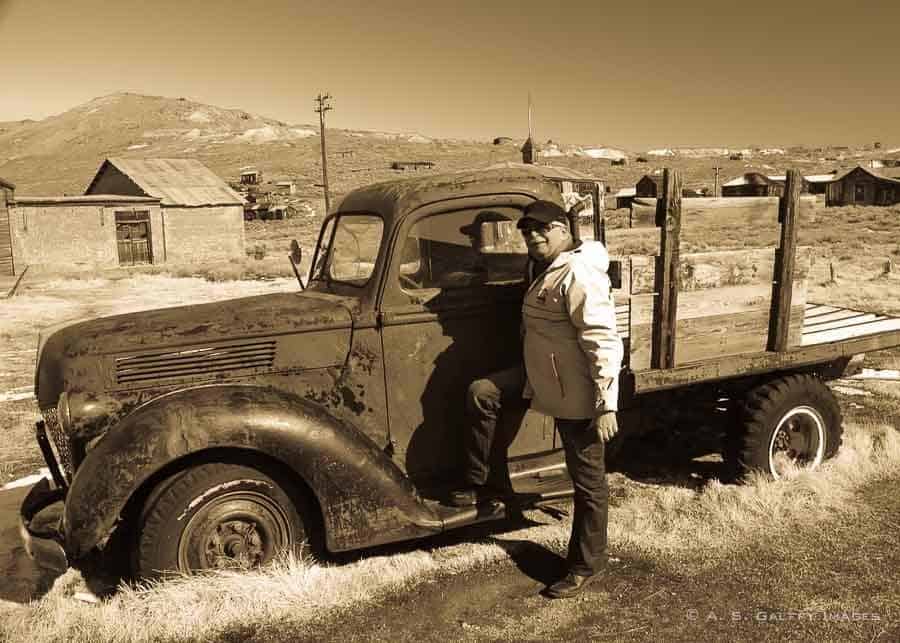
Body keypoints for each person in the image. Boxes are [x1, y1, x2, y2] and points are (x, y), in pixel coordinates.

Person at [449, 199, 623, 600]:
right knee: (484, 393)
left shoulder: (579, 273)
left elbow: (602, 340)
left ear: (563, 229)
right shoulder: (541, 266)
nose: (533, 235)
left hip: (577, 390)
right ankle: (487, 487)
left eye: (542, 228)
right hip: (542, 376)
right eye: (527, 230)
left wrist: (606, 403)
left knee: (588, 481)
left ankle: (586, 564)